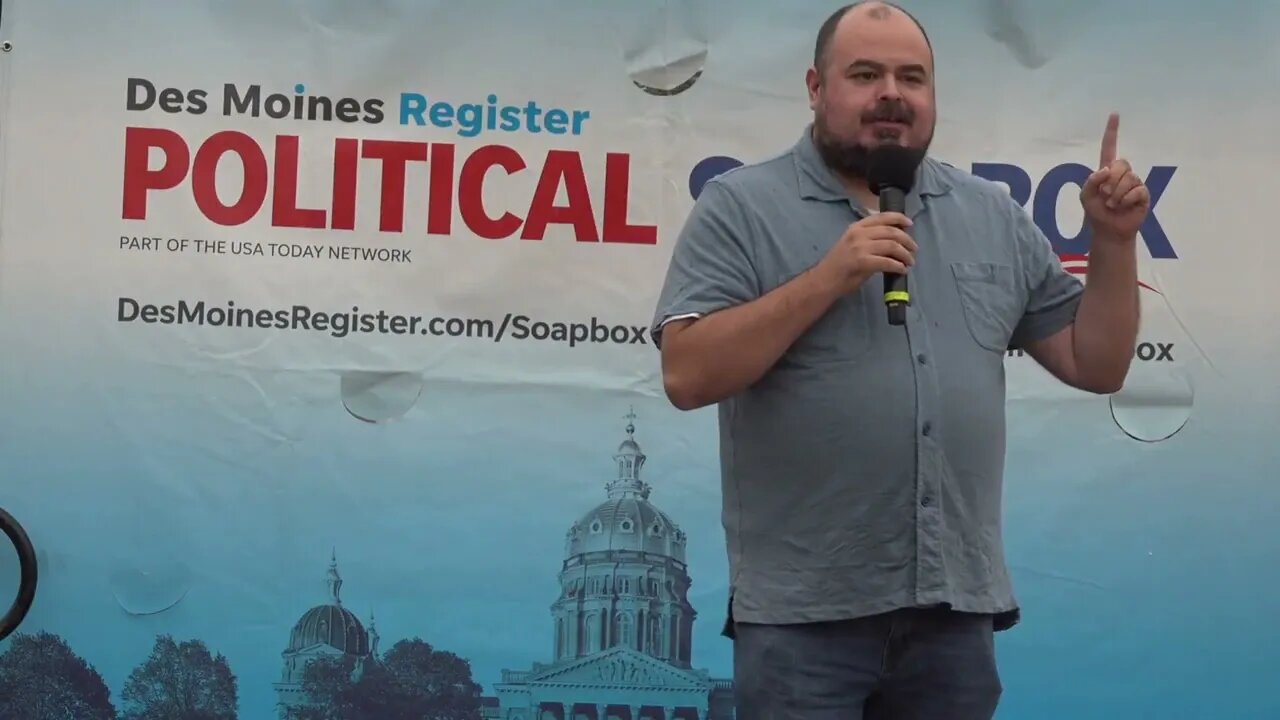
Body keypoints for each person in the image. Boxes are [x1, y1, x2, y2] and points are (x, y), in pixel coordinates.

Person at [649, 1, 1146, 718]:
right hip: (803, 621)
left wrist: (1113, 242)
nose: (892, 93)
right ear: (817, 88)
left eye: (912, 77)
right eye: (865, 74)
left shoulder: (993, 214)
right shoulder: (740, 206)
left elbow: (1097, 364)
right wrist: (830, 277)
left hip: (954, 615)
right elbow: (687, 374)